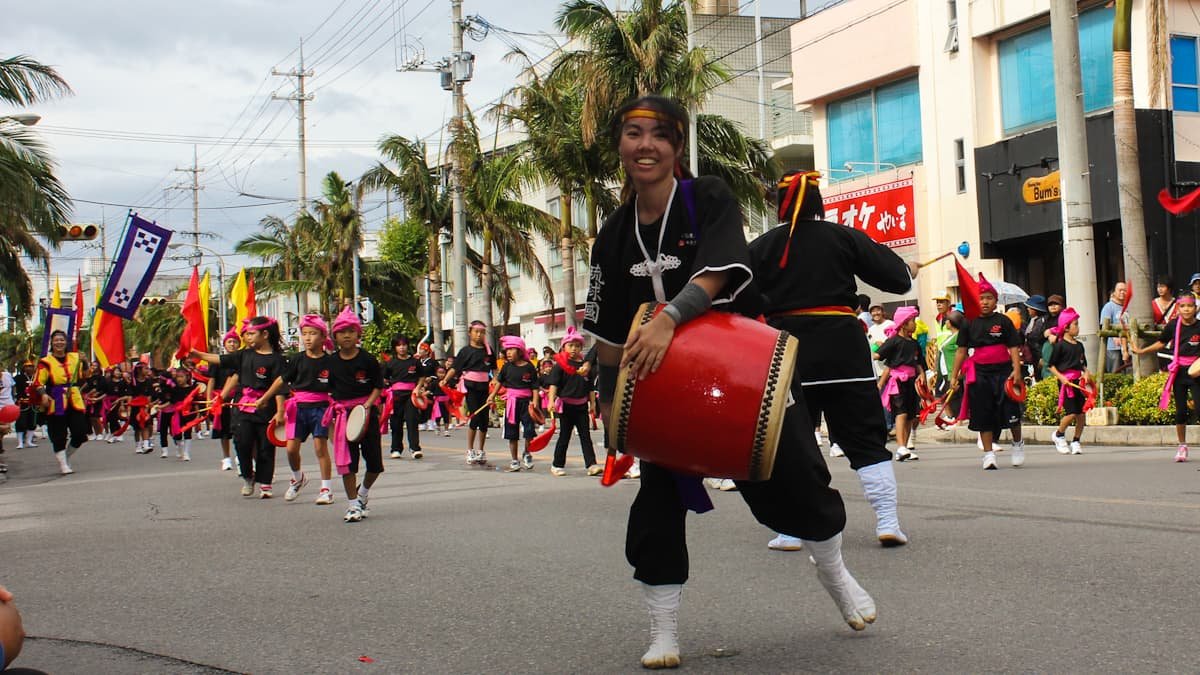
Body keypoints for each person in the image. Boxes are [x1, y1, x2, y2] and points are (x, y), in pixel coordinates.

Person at [584, 96, 876, 669]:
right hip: (659, 386)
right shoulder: (613, 235)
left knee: (797, 485)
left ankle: (835, 572)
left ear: (676, 146)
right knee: (656, 507)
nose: (646, 145)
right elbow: (611, 334)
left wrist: (670, 319)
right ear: (619, 145)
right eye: (633, 134)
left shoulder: (706, 197)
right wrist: (612, 405)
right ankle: (663, 631)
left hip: (739, 368)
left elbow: (721, 269)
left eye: (659, 135)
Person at [749, 169, 915, 550]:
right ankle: (887, 521)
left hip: (787, 353)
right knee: (866, 439)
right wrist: (906, 269)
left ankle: (793, 529)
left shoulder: (762, 247)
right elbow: (900, 280)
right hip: (843, 351)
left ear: (780, 205)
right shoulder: (843, 237)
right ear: (818, 203)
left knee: (792, 441)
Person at [193, 316, 288, 498]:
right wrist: (197, 354)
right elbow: (219, 359)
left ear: (265, 334)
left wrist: (280, 412)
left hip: (265, 409)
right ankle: (247, 476)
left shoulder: (277, 360)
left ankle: (265, 483)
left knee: (265, 446)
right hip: (243, 407)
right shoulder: (243, 355)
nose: (247, 338)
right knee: (242, 443)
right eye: (247, 334)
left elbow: (280, 388)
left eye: (252, 334)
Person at [949, 279, 1025, 470]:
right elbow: (961, 351)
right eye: (981, 298)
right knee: (983, 414)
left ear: (995, 300)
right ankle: (988, 455)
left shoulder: (1004, 321)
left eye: (989, 298)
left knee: (1011, 412)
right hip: (979, 374)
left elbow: (1014, 347)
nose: (984, 302)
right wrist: (954, 375)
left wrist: (1016, 371)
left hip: (1004, 373)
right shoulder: (969, 323)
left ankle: (1017, 445)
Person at [261, 314, 335, 504]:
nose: (308, 338)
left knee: (321, 448)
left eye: (313, 333)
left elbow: (340, 386)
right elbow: (280, 380)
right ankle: (298, 478)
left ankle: (326, 488)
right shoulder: (296, 360)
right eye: (305, 334)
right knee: (291, 449)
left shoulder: (331, 362)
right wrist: (264, 398)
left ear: (323, 336)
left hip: (321, 408)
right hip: (298, 408)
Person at [325, 305, 384, 522]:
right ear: (335, 335)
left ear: (358, 333)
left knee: (375, 465)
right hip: (343, 417)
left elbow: (378, 386)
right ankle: (352, 505)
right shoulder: (330, 362)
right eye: (342, 332)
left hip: (367, 415)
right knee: (348, 464)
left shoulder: (367, 360)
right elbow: (326, 391)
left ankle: (363, 494)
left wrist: (367, 405)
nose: (347, 335)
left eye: (351, 331)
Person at [1133, 292, 1200, 462]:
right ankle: (1182, 445)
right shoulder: (1173, 325)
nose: (1186, 310)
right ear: (1178, 307)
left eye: (1190, 306)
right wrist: (1142, 351)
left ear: (1196, 308)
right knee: (1180, 412)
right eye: (1183, 306)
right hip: (1178, 372)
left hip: (1197, 372)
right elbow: (1161, 343)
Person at [545, 326, 601, 477]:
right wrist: (551, 401)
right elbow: (553, 385)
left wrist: (593, 405)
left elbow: (590, 388)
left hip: (582, 406)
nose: (573, 349)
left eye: (577, 346)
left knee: (585, 436)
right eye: (570, 345)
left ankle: (591, 464)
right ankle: (557, 464)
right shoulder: (559, 366)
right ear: (563, 347)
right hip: (566, 406)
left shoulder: (586, 366)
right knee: (565, 436)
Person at [34, 330, 90, 475]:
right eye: (56, 340)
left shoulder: (75, 357)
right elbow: (38, 382)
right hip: (57, 398)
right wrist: (43, 394)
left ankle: (66, 456)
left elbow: (85, 376)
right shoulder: (45, 361)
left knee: (80, 431)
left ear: (66, 342)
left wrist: (84, 362)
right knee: (58, 432)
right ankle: (63, 464)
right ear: (51, 343)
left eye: (62, 340)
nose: (59, 342)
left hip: (75, 397)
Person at [441, 321, 495, 466]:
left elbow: (494, 372)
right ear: (470, 332)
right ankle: (470, 449)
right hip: (471, 387)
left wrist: (496, 383)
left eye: (482, 332)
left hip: (485, 387)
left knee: (484, 420)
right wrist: (445, 380)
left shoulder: (489, 352)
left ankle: (481, 450)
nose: (479, 334)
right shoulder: (465, 351)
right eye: (476, 331)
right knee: (475, 417)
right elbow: (455, 368)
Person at [876, 306, 924, 460]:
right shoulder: (894, 341)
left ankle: (905, 447)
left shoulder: (914, 343)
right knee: (901, 412)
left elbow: (918, 363)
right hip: (897, 382)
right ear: (903, 324)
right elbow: (881, 358)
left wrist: (922, 374)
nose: (915, 324)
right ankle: (901, 446)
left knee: (911, 415)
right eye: (912, 321)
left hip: (911, 381)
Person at [490, 334, 537, 472]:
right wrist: (492, 395)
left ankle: (527, 453)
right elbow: (499, 382)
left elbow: (534, 386)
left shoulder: (529, 367)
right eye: (507, 350)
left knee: (529, 431)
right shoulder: (506, 367)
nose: (508, 353)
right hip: (511, 403)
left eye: (511, 349)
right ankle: (514, 459)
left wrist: (534, 402)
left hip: (526, 403)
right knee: (512, 433)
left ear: (520, 350)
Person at [1047, 307, 1089, 455]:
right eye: (1075, 324)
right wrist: (1062, 378)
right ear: (1066, 327)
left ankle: (1076, 440)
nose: (1078, 327)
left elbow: (1083, 364)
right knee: (1071, 413)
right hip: (1067, 383)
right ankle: (1058, 434)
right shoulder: (1059, 346)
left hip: (1078, 382)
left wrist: (1086, 374)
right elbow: (1051, 366)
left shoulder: (1079, 346)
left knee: (1081, 414)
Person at [382, 336, 427, 460]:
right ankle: (396, 449)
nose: (402, 347)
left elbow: (422, 376)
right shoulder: (390, 363)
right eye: (399, 345)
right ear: (395, 348)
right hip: (395, 396)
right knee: (396, 423)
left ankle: (415, 448)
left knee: (412, 421)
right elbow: (384, 379)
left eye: (404, 345)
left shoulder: (414, 362)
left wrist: (418, 388)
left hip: (411, 396)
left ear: (408, 346)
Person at [212, 330, 242, 471]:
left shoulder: (242, 360)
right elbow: (212, 381)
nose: (232, 344)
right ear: (224, 344)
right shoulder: (218, 362)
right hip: (221, 399)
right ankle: (226, 458)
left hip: (238, 399)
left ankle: (240, 456)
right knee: (224, 431)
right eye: (229, 341)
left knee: (239, 430)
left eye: (235, 341)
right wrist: (210, 399)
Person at [1099, 281, 1129, 373]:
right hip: (1113, 347)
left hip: (1129, 346)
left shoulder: (1128, 307)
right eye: (1120, 290)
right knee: (1115, 372)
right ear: (1114, 292)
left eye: (1124, 290)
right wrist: (1114, 337)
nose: (1122, 292)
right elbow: (1104, 326)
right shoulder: (1109, 307)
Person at [1023, 295, 1049, 381]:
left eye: (1030, 307)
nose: (1028, 309)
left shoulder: (1041, 321)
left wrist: (1041, 357)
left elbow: (1036, 340)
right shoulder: (1033, 320)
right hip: (1033, 357)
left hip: (1039, 357)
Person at [13, 362, 38, 449]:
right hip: (22, 403)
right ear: (23, 368)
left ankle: (29, 441)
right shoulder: (18, 378)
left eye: (31, 366)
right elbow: (12, 387)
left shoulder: (36, 377)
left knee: (32, 422)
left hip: (33, 403)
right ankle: (20, 442)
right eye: (27, 366)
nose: (29, 368)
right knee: (21, 422)